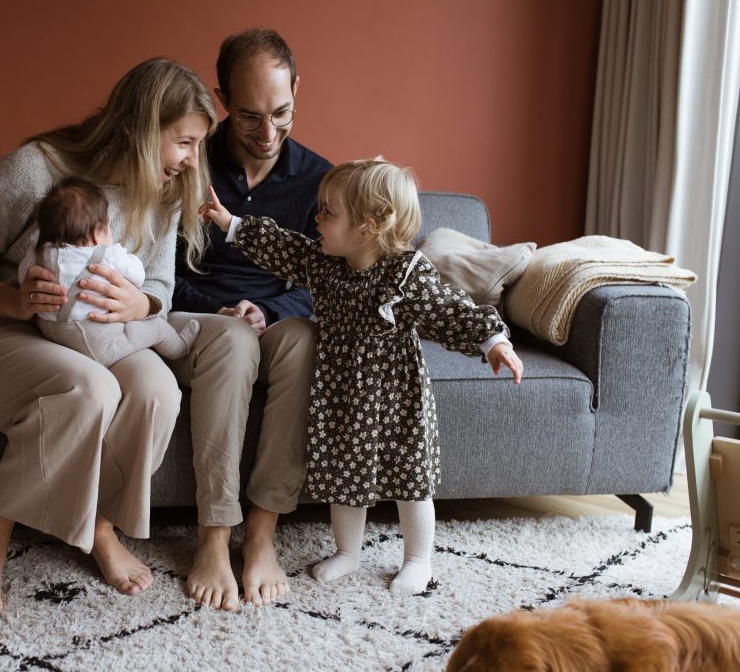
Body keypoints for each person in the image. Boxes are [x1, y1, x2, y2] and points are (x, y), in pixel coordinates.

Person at [0, 58, 216, 612]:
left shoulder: (159, 190)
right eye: (184, 142)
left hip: (102, 337)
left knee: (158, 392)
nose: (191, 160)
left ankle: (100, 526)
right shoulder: (36, 169)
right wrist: (11, 298)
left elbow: (160, 283)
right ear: (142, 128)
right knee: (92, 390)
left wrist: (143, 302)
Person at [200, 158, 524, 594]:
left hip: (396, 398)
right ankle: (348, 553)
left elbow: (449, 308)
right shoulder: (324, 262)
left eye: (328, 213)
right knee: (343, 477)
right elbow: (284, 247)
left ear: (368, 227)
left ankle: (417, 560)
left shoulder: (405, 274)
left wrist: (493, 342)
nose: (316, 218)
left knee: (411, 481)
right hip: (342, 394)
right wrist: (231, 224)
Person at [167, 28, 331, 610]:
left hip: (276, 319)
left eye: (282, 113)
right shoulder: (186, 160)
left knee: (307, 343)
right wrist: (220, 311)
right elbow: (156, 268)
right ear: (220, 102)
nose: (267, 134)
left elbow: (328, 281)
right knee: (233, 342)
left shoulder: (320, 181)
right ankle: (213, 538)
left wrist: (271, 309)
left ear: (296, 93)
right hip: (198, 318)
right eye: (249, 117)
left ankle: (260, 536)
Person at [21, 175, 201, 367]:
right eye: (108, 227)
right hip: (99, 343)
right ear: (97, 233)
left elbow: (24, 276)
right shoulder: (108, 254)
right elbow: (139, 276)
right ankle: (181, 348)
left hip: (50, 330)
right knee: (156, 328)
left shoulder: (38, 253)